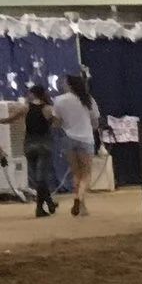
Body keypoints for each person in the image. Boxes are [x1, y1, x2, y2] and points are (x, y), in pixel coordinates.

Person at [52, 70, 101, 216]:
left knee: (76, 173)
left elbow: (56, 123)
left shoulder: (59, 100)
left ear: (69, 85)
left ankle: (82, 206)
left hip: (68, 138)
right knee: (86, 174)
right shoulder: (88, 99)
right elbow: (95, 122)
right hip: (86, 138)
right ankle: (79, 199)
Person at [11, 84, 56, 216]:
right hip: (44, 144)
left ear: (32, 94)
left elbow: (10, 119)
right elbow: (56, 124)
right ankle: (42, 206)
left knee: (37, 178)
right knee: (41, 177)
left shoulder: (25, 108)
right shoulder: (49, 109)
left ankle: (46, 203)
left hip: (29, 144)